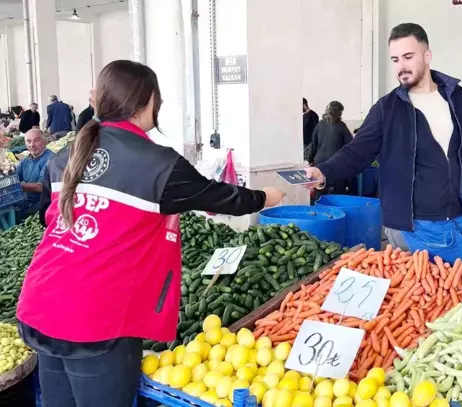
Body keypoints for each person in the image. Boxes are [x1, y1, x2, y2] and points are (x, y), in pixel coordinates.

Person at [16, 60, 286, 407]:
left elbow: (47, 222)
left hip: (41, 303)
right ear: (149, 102)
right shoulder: (159, 164)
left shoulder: (65, 156)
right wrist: (268, 197)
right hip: (94, 320)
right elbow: (224, 197)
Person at [305, 23, 462, 276]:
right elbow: (357, 152)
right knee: (442, 300)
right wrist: (322, 173)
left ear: (427, 56)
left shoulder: (457, 96)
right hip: (419, 227)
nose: (401, 66)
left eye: (408, 57)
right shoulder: (387, 109)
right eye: (395, 59)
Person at [308, 101, 354, 197]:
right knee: (337, 193)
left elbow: (313, 144)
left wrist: (310, 159)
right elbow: (351, 145)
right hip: (336, 163)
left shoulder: (320, 125)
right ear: (339, 112)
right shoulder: (341, 126)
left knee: (320, 192)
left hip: (320, 162)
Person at [15, 129, 53, 219]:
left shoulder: (50, 159)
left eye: (36, 140)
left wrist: (15, 186)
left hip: (44, 202)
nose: (32, 145)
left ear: (45, 141)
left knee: (21, 218)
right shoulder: (25, 161)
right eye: (28, 141)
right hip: (27, 201)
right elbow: (15, 178)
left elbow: (40, 187)